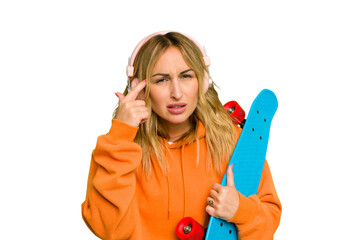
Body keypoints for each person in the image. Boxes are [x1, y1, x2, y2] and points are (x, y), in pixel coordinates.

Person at [81, 31, 281, 240]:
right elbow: (109, 230)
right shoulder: (119, 149)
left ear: (203, 82)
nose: (176, 93)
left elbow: (269, 222)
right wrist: (121, 136)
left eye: (186, 76)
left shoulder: (234, 142)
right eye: (161, 80)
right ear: (139, 88)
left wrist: (241, 210)